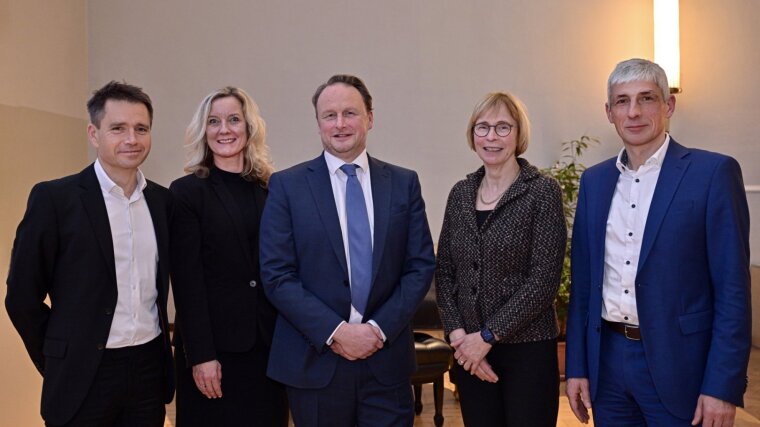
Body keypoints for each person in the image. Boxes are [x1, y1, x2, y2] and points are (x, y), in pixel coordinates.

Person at [565, 58, 751, 426]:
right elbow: (584, 288)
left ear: (668, 106)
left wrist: (722, 386)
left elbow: (732, 291)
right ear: (609, 112)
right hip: (608, 365)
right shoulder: (595, 182)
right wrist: (577, 368)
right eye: (622, 101)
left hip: (682, 366)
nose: (633, 112)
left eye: (646, 98)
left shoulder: (712, 174)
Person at [259, 74, 436, 427]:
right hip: (315, 363)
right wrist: (336, 332)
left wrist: (377, 330)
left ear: (370, 118)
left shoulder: (403, 183)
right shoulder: (287, 186)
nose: (340, 124)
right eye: (330, 115)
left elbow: (419, 266)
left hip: (386, 364)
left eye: (350, 113)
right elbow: (277, 275)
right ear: (318, 123)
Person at [5, 81, 174, 426]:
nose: (132, 139)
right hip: (82, 374)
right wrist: (59, 357)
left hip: (147, 370)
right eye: (118, 128)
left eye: (141, 128)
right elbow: (22, 296)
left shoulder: (163, 202)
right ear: (94, 134)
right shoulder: (55, 199)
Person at [435, 92, 567, 426]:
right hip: (468, 353)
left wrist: (487, 337)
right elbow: (445, 272)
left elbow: (543, 282)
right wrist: (459, 339)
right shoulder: (460, 194)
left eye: (503, 127)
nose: (491, 137)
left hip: (528, 352)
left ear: (519, 135)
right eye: (483, 128)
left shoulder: (543, 192)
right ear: (472, 135)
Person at [169, 87, 288, 426]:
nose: (225, 129)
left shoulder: (272, 189)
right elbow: (187, 282)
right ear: (203, 132)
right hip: (214, 351)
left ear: (249, 128)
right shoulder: (187, 192)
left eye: (234, 119)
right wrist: (202, 355)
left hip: (267, 348)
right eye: (214, 122)